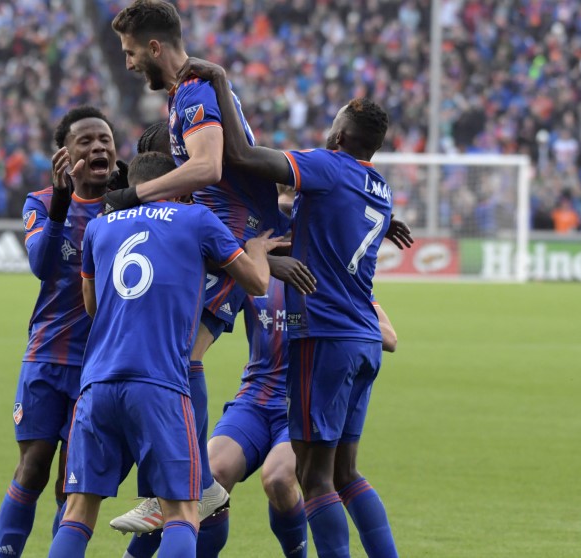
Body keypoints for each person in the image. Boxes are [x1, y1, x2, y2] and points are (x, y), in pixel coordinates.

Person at [181, 57, 400, 558]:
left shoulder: (326, 165)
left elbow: (239, 154)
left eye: (333, 122)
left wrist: (219, 82)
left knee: (312, 478)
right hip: (362, 338)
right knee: (346, 474)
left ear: (340, 133)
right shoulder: (380, 189)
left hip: (324, 338)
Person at [48, 151, 288, 557]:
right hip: (160, 384)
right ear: (176, 187)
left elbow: (92, 305)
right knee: (183, 512)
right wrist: (257, 249)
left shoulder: (99, 227)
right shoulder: (196, 220)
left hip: (97, 385)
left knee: (77, 511)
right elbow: (257, 283)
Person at [106, 0, 287, 531]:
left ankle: (191, 488)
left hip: (225, 239)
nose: (129, 62)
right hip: (216, 238)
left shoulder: (195, 92)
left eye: (132, 51)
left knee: (176, 358)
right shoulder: (192, 91)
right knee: (178, 358)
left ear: (155, 46)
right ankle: (186, 489)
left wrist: (137, 196)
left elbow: (207, 166)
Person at [0, 106, 117, 558]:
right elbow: (41, 266)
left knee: (74, 484)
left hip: (100, 366)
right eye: (86, 140)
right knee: (32, 468)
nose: (98, 146)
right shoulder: (42, 203)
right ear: (64, 154)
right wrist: (63, 204)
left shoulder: (127, 205)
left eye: (105, 139)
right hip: (47, 357)